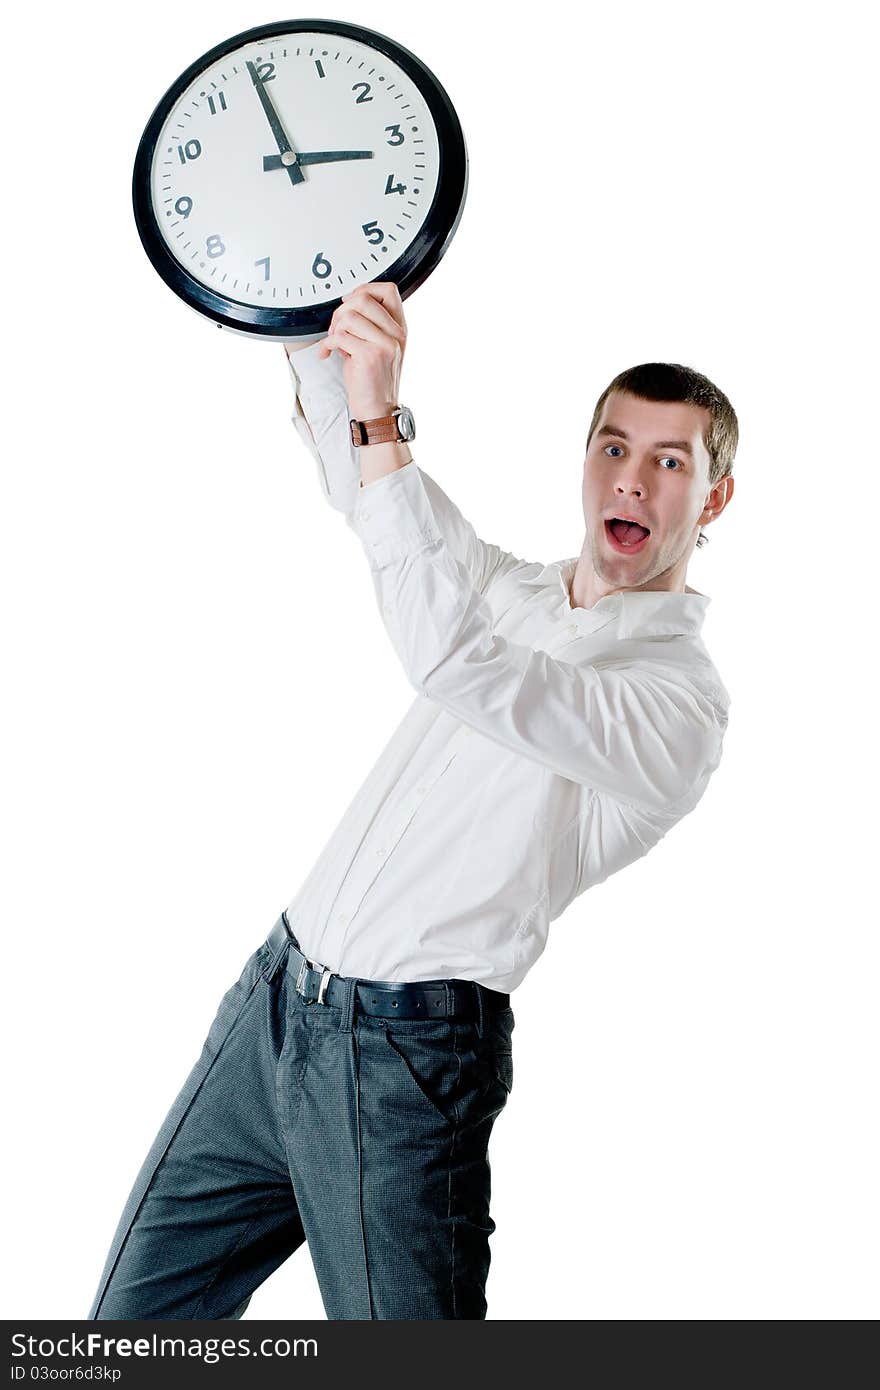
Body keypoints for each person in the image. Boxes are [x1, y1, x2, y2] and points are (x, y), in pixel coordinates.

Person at [87, 281, 735, 1321]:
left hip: (405, 1063)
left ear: (711, 500)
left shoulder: (674, 705)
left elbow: (455, 663)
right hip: (273, 1005)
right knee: (128, 1331)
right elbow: (373, 495)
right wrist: (302, 318)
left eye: (670, 461)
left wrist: (384, 413)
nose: (634, 480)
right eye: (614, 448)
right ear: (584, 465)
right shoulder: (513, 588)